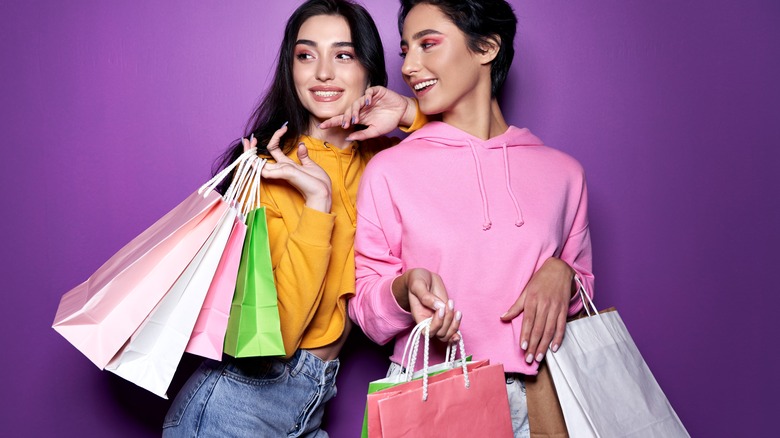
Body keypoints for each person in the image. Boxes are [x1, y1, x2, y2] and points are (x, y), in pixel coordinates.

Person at [162, 1, 424, 436]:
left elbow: (468, 143)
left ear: (368, 69)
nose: (323, 73)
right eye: (306, 55)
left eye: (343, 54)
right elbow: (277, 337)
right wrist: (317, 204)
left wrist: (409, 113)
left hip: (313, 402)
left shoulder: (387, 159)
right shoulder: (268, 170)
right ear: (292, 68)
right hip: (235, 408)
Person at [344, 0, 595, 436]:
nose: (409, 66)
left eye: (428, 44)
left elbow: (582, 295)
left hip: (545, 394)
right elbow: (365, 307)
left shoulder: (564, 173)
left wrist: (564, 275)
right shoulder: (390, 169)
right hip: (433, 389)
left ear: (487, 48)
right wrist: (405, 290)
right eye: (406, 50)